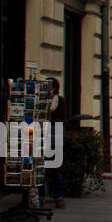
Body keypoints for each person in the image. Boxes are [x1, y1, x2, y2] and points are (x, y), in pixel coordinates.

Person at [44, 77, 67, 208]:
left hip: (56, 139)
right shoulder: (42, 100)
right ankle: (41, 197)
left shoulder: (60, 101)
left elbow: (62, 120)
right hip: (44, 138)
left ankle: (59, 197)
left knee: (56, 170)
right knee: (42, 169)